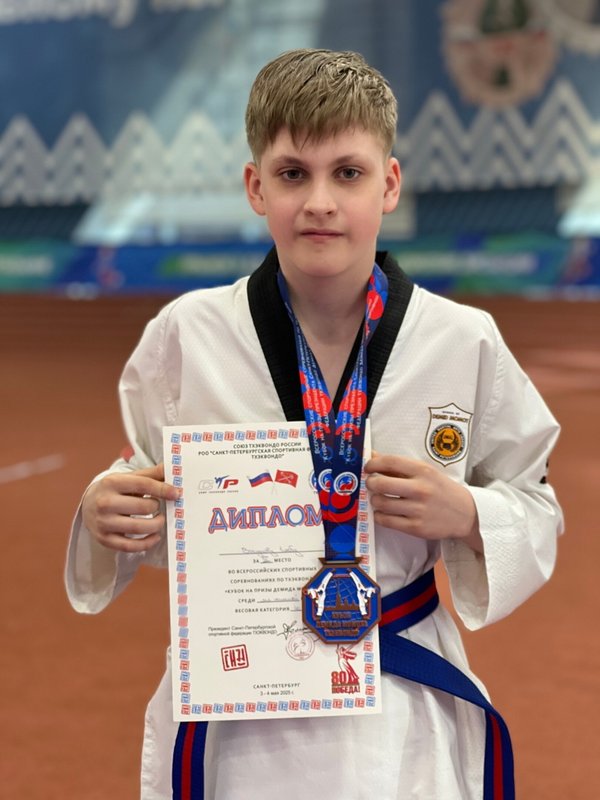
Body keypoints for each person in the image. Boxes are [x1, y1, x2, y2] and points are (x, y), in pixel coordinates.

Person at [65, 49, 563, 799]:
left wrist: (468, 513)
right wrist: (108, 508)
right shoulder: (188, 335)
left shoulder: (463, 341)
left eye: (348, 173)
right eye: (293, 174)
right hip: (242, 702)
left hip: (400, 704)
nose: (320, 202)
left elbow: (536, 502)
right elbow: (148, 485)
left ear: (388, 184)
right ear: (255, 186)